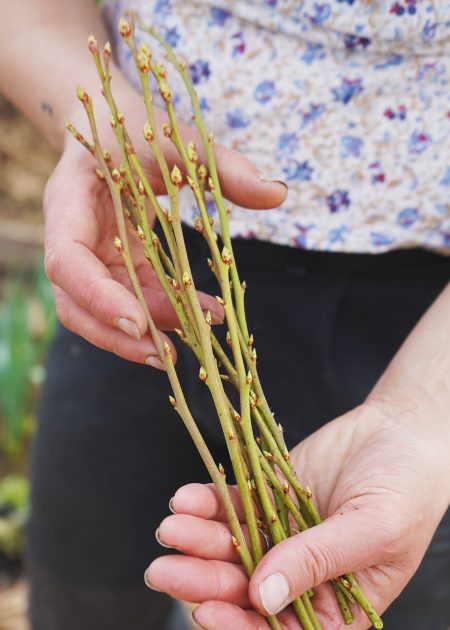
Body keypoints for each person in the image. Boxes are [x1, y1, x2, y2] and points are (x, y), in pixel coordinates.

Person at [1, 1, 449, 628]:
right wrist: (100, 127)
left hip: (423, 314)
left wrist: (426, 411)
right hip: (144, 254)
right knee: (84, 591)